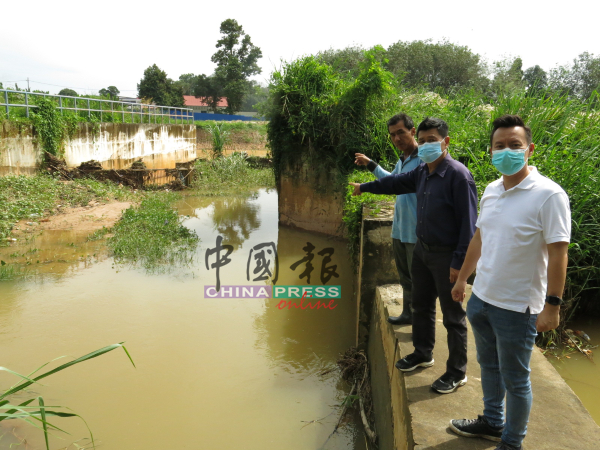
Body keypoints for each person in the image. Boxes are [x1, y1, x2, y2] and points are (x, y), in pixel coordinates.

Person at [449, 115, 571, 450]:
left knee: (517, 380)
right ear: (491, 151)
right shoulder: (491, 189)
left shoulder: (549, 195)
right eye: (499, 146)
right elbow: (479, 237)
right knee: (488, 365)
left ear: (529, 149)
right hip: (482, 299)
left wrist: (553, 306)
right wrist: (463, 279)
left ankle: (512, 442)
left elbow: (559, 254)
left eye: (514, 145)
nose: (506, 151)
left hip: (518, 307)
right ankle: (492, 421)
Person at [350, 117, 478, 394]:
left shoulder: (458, 175)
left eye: (431, 140)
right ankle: (423, 353)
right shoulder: (422, 172)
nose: (425, 145)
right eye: (422, 141)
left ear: (445, 142)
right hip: (422, 250)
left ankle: (456, 372)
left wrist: (459, 266)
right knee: (421, 305)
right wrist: (364, 187)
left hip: (447, 257)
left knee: (453, 316)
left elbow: (469, 226)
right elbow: (394, 183)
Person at [354, 113, 421, 325]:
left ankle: (421, 325)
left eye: (401, 133)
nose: (397, 139)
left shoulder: (423, 160)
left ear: (412, 131)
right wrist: (370, 164)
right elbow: (391, 182)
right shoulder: (403, 159)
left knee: (419, 281)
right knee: (405, 278)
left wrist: (364, 187)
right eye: (392, 135)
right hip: (400, 229)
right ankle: (408, 313)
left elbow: (393, 183)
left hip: (416, 232)